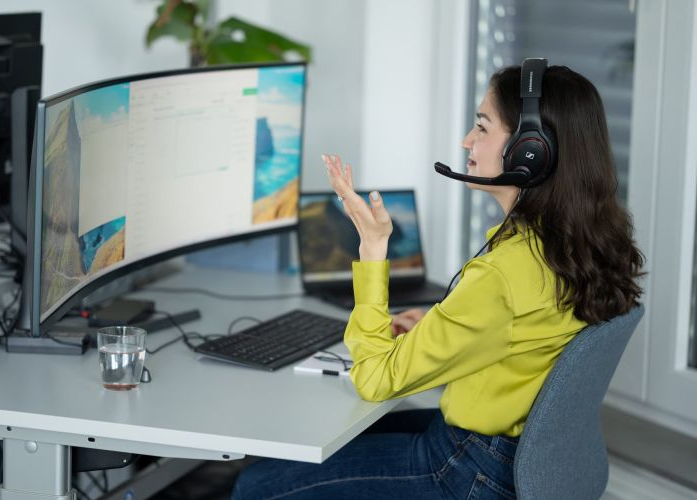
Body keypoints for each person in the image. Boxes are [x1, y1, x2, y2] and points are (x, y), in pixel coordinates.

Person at [232, 61, 644, 499]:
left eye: (482, 128)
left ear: (530, 151)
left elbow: (374, 379)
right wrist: (442, 324)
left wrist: (373, 249)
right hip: (525, 457)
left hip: (470, 470)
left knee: (257, 485)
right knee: (333, 442)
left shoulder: (502, 275)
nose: (467, 141)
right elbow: (525, 331)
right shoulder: (586, 243)